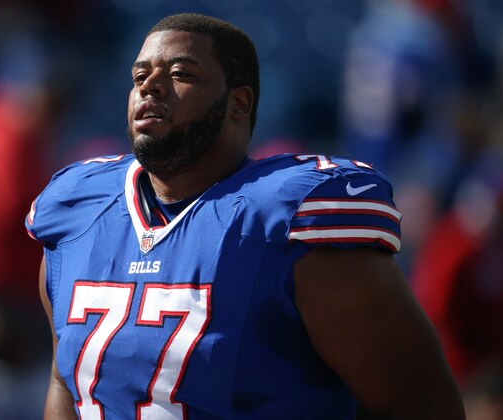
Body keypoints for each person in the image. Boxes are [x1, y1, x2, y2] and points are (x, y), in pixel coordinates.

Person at [25, 13, 464, 419]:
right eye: (140, 76)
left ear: (239, 103)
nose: (151, 86)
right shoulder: (79, 209)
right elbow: (65, 380)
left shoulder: (290, 217)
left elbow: (422, 404)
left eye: (180, 74)